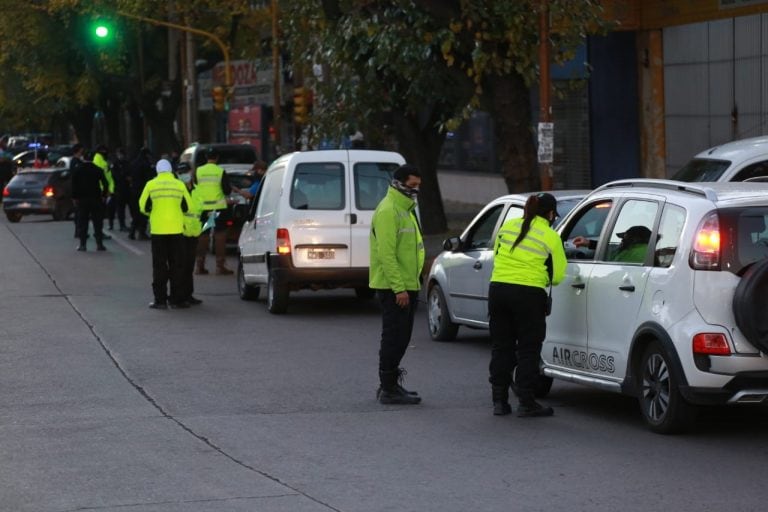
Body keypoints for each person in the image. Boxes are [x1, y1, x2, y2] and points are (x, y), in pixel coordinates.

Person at [488, 192, 566, 417]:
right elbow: (558, 276)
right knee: (528, 348)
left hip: (498, 290)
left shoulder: (508, 226)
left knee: (501, 346)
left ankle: (499, 402)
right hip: (529, 294)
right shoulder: (551, 236)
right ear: (550, 214)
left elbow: (497, 256)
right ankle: (526, 401)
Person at [369, 164, 425, 405]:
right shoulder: (388, 211)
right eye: (412, 186)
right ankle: (388, 387)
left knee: (402, 337)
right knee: (394, 336)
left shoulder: (406, 209)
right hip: (395, 287)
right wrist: (398, 288)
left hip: (408, 284)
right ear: (398, 183)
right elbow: (386, 254)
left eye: (418, 186)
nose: (415, 190)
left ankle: (391, 384)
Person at [138, 159, 192, 309]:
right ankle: (177, 299)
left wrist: (153, 213)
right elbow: (189, 207)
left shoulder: (151, 185)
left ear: (157, 170)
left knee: (159, 266)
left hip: (158, 231)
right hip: (176, 231)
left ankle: (160, 300)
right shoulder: (179, 184)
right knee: (177, 265)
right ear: (170, 170)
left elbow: (142, 206)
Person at [194, 148, 234, 275]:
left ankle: (199, 265)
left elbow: (195, 186)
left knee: (203, 236)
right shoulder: (220, 171)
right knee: (220, 236)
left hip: (203, 208)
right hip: (218, 209)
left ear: (206, 157)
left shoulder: (198, 171)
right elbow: (227, 190)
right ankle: (220, 266)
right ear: (217, 158)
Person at [71, 143, 109, 252]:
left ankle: (83, 245)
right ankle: (99, 244)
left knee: (83, 221)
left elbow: (74, 184)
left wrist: (74, 197)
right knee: (97, 222)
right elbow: (105, 183)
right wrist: (104, 195)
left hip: (82, 200)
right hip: (96, 198)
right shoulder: (97, 169)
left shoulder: (78, 169)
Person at [178, 165, 204, 305]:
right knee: (180, 265)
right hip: (180, 231)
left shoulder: (197, 190)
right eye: (181, 173)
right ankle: (180, 295)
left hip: (194, 231)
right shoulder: (178, 190)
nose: (184, 175)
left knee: (189, 265)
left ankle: (188, 294)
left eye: (185, 172)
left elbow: (201, 209)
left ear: (191, 173)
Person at [129, 148, 154, 240]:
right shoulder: (146, 164)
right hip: (143, 191)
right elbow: (149, 178)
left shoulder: (134, 163)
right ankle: (141, 233)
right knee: (144, 212)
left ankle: (132, 232)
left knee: (136, 212)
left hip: (134, 190)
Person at [92, 145, 114, 239]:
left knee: (101, 214)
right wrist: (105, 191)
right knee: (99, 214)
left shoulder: (102, 160)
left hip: (105, 190)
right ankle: (98, 233)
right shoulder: (98, 160)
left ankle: (99, 232)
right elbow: (100, 177)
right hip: (102, 191)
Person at [107, 147, 130, 231]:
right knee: (114, 208)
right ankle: (115, 224)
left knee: (121, 208)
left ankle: (122, 225)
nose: (120, 156)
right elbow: (116, 176)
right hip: (116, 189)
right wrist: (124, 177)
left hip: (124, 189)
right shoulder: (115, 164)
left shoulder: (126, 163)